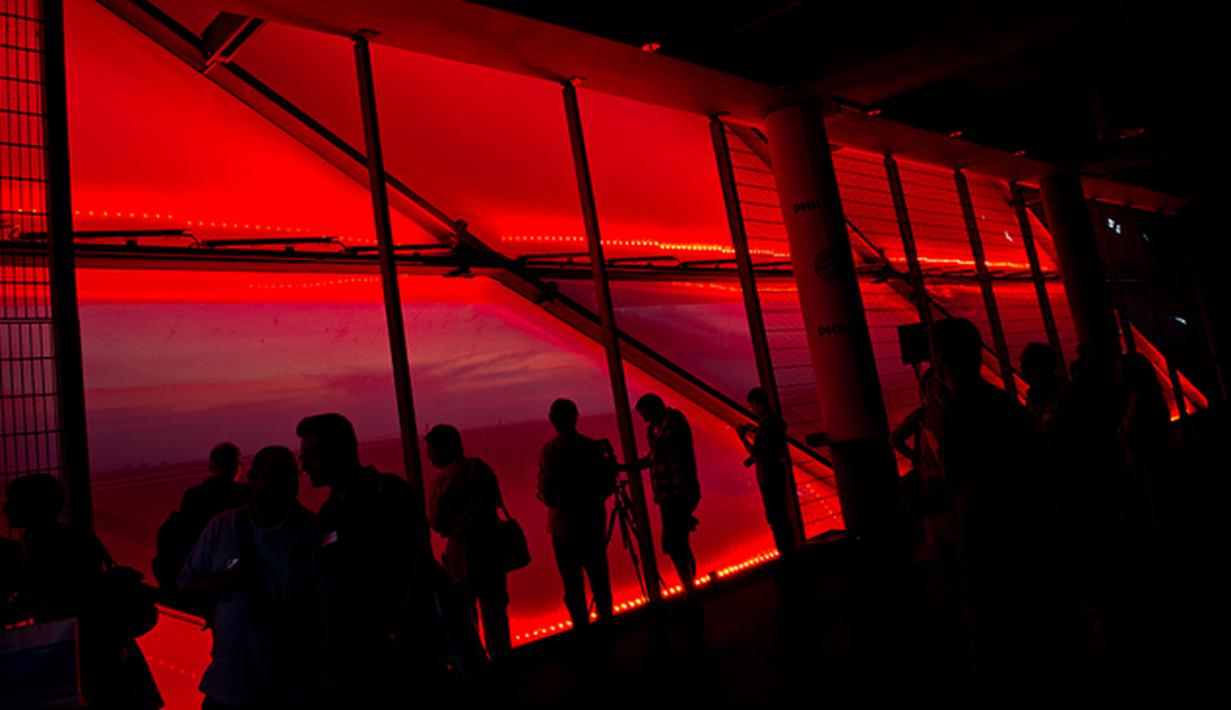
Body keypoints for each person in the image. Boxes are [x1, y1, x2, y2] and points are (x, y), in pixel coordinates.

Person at [931, 318, 1051, 692]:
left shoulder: (956, 411)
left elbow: (954, 473)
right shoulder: (1003, 402)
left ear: (941, 358)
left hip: (980, 526)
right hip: (1019, 525)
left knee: (986, 619)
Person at [297, 413, 442, 702]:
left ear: (337, 451)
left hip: (398, 655)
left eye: (310, 455)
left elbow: (414, 566)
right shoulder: (330, 513)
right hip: (362, 657)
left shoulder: (390, 495)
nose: (304, 466)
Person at [2, 474, 163, 709]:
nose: (6, 509)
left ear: (31, 506)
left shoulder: (36, 549)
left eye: (13, 501)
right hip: (109, 652)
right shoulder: (77, 537)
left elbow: (40, 601)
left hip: (81, 658)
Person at [178, 446, 319, 709]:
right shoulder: (308, 531)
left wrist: (224, 582)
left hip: (232, 687)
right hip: (279, 688)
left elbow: (186, 586)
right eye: (276, 476)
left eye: (286, 477)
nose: (282, 485)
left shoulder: (223, 527)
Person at [426, 424, 512, 660]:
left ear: (443, 449)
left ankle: (477, 664)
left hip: (462, 551)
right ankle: (503, 660)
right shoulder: (480, 469)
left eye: (431, 450)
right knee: (495, 610)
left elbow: (436, 521)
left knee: (464, 612)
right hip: (491, 547)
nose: (428, 456)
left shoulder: (443, 481)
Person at [536, 398, 615, 629]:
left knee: (572, 582)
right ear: (576, 417)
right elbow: (605, 486)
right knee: (599, 576)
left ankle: (582, 626)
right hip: (592, 521)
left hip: (563, 525)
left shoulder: (549, 451)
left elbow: (546, 492)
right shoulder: (590, 447)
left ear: (553, 420)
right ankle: (606, 622)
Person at [153, 442, 251, 602]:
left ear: (211, 468)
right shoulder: (247, 497)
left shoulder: (194, 496)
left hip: (199, 582)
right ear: (238, 467)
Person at [632, 393, 701, 594]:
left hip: (674, 491)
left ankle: (689, 586)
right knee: (677, 542)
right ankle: (689, 584)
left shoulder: (672, 423)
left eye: (646, 414)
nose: (645, 420)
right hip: (673, 492)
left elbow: (658, 453)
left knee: (673, 542)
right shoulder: (662, 426)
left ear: (655, 408)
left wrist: (625, 467)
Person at [735, 387, 796, 557]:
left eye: (753, 405)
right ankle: (790, 553)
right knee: (781, 515)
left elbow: (758, 455)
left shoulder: (768, 427)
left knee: (775, 517)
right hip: (776, 472)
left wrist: (742, 437)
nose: (752, 409)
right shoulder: (774, 424)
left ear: (759, 404)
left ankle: (786, 553)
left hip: (768, 476)